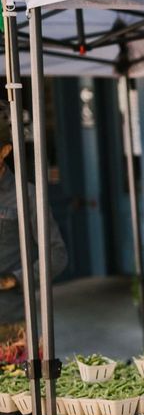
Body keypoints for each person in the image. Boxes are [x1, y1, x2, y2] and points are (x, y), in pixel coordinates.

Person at [0, 106, 67, 347]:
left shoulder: (26, 196)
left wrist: (13, 279)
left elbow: (57, 255)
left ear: (5, 151)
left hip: (10, 325)